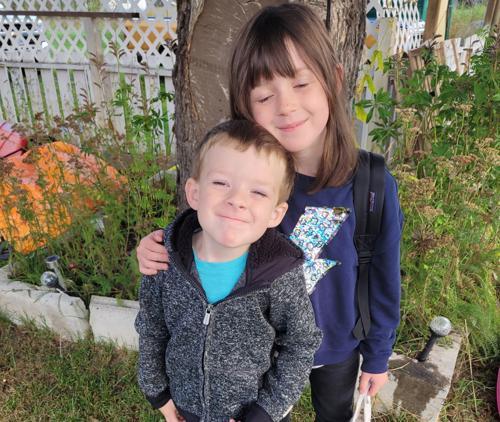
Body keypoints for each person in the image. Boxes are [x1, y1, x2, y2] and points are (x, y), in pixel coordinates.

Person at [137, 4, 403, 421]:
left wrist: (378, 354)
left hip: (338, 346)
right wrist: (158, 247)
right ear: (245, 105)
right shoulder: (242, 183)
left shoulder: (372, 185)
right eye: (265, 96)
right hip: (258, 354)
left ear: (334, 79)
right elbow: (204, 230)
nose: (286, 106)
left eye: (301, 83)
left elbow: (384, 275)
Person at [135, 119, 322, 422]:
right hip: (185, 410)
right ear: (194, 192)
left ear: (276, 213)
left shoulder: (279, 274)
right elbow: (151, 326)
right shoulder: (163, 258)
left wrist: (266, 412)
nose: (237, 200)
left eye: (258, 192)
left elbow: (300, 344)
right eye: (221, 183)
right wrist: (157, 392)